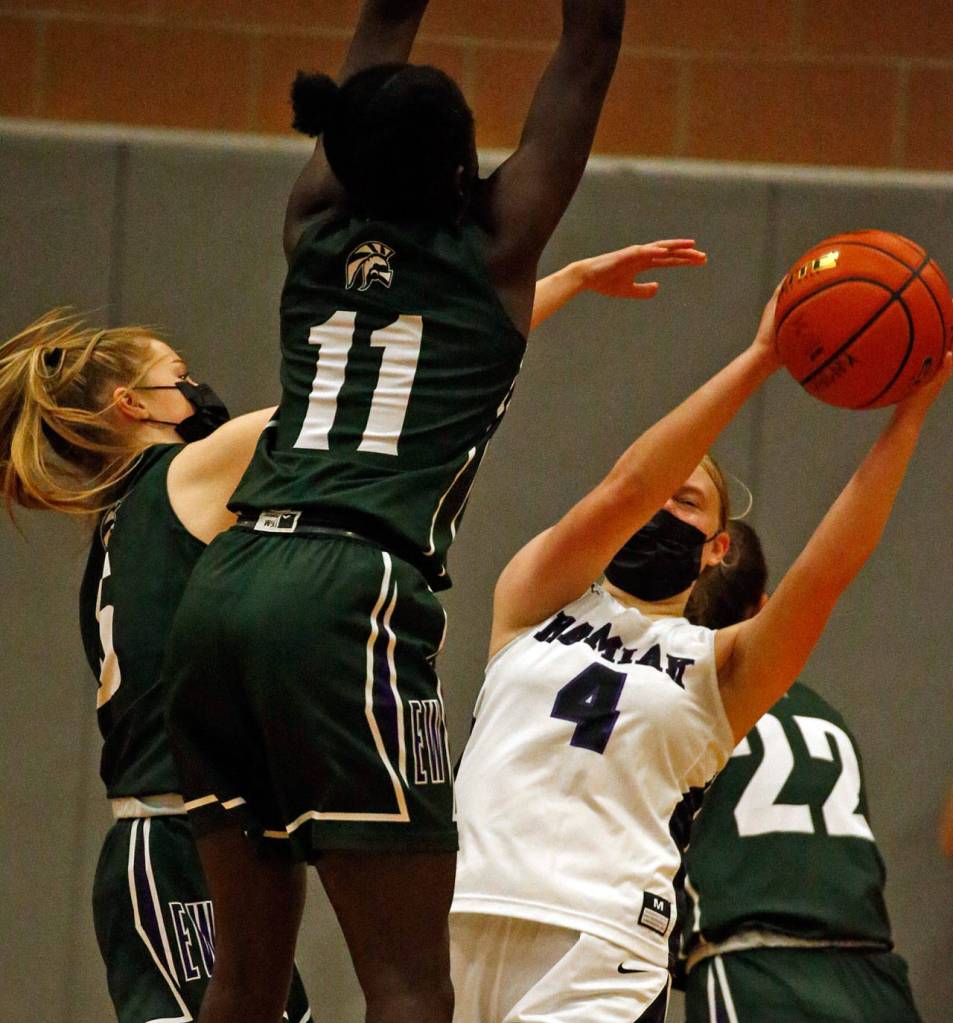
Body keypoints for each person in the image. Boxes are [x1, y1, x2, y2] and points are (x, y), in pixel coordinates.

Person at [162, 0, 630, 1020]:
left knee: (241, 984)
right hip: (349, 601)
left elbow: (378, 34)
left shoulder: (312, 227)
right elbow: (586, 45)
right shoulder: (499, 248)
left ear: (340, 150)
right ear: (465, 171)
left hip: (223, 586)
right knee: (409, 983)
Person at [449, 285, 951, 1023]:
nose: (658, 507)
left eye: (685, 502)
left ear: (718, 547)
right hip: (459, 911)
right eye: (657, 493)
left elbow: (822, 576)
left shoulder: (716, 666)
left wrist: (909, 416)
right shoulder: (535, 594)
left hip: (602, 947)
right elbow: (629, 482)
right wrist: (757, 360)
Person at [0, 312, 310, 1023]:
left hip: (206, 837)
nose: (197, 387)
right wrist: (509, 295)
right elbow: (366, 390)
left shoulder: (127, 516)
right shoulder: (183, 477)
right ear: (132, 404)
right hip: (170, 838)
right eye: (180, 373)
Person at [680, 520, 922, 1022]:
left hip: (757, 969)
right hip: (873, 969)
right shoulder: (826, 716)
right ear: (765, 609)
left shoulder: (677, 707)